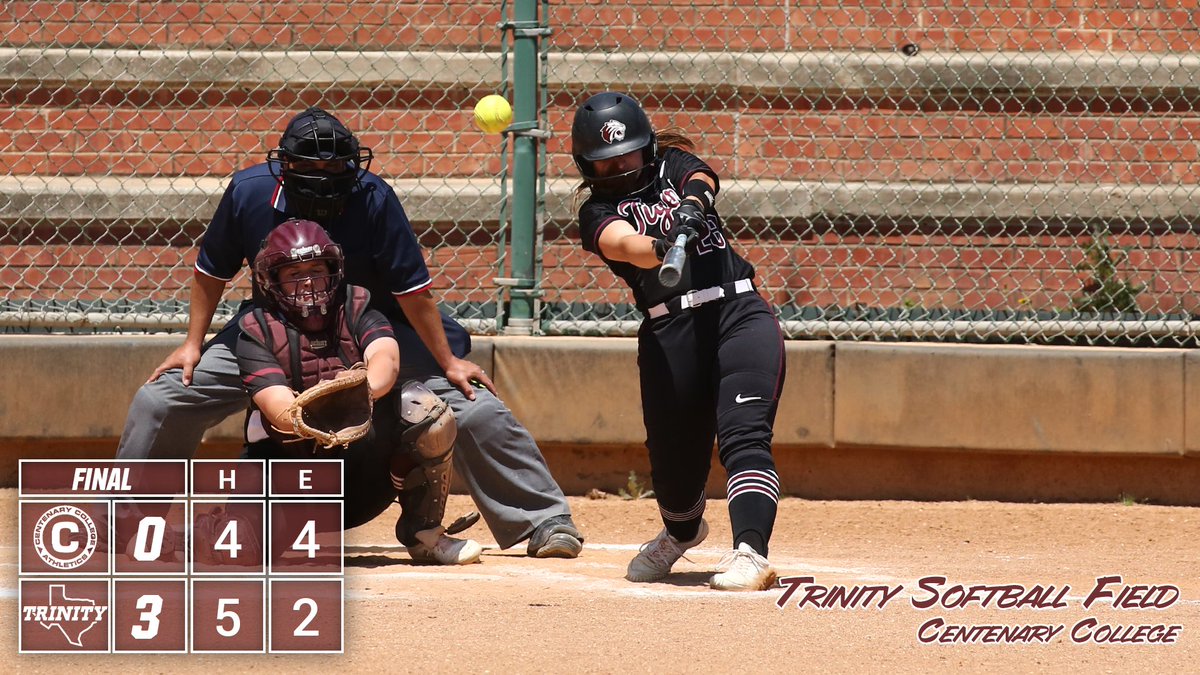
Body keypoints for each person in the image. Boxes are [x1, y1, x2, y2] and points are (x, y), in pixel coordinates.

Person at [117, 106, 583, 558]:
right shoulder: (248, 192)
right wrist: (192, 344)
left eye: (336, 168)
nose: (325, 177)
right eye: (312, 169)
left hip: (370, 321)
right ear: (285, 167)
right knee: (164, 399)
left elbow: (413, 292)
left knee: (467, 406)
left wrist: (447, 362)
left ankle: (543, 518)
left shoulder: (373, 196)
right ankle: (123, 526)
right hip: (274, 326)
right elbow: (210, 271)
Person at [570, 91, 786, 591]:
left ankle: (751, 551)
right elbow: (625, 245)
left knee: (744, 433)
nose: (620, 166)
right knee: (674, 467)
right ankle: (681, 532)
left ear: (646, 148)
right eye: (606, 162)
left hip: (738, 312)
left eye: (628, 154)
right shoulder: (596, 212)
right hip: (671, 333)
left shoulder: (673, 165)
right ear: (588, 167)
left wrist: (691, 206)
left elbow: (703, 177)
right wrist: (662, 244)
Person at [237, 218, 480, 564]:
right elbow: (277, 407)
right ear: (272, 281)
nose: (308, 283)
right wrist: (318, 410)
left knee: (423, 408)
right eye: (294, 274)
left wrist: (359, 391)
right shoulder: (255, 329)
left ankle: (423, 532)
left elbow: (385, 358)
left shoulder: (355, 304)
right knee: (229, 549)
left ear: (334, 269)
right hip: (289, 484)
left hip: (363, 480)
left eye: (317, 270)